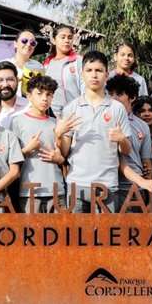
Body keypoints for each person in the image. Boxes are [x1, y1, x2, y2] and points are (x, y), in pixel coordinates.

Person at [58, 50, 133, 212]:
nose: (94, 75)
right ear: (82, 74)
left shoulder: (117, 108)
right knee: (77, 237)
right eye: (89, 70)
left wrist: (121, 139)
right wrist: (59, 133)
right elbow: (64, 152)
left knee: (106, 237)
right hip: (76, 185)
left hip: (108, 185)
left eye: (99, 71)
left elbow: (126, 151)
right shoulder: (71, 108)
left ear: (107, 74)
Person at [10, 75, 66, 212]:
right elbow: (10, 158)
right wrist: (27, 149)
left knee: (60, 232)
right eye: (39, 93)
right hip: (29, 192)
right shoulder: (18, 121)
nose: (44, 98)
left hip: (56, 190)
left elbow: (64, 156)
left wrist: (59, 159)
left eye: (49, 94)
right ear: (29, 96)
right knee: (31, 233)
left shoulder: (57, 123)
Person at [105, 74, 152, 209]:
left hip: (135, 189)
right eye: (111, 94)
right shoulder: (104, 121)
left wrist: (151, 201)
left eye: (120, 94)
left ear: (132, 97)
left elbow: (147, 163)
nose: (114, 98)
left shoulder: (142, 126)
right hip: (109, 187)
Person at [42, 24, 82, 111]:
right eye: (63, 37)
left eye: (70, 37)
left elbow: (86, 88)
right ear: (54, 40)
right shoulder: (47, 64)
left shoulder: (78, 61)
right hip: (50, 115)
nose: (67, 40)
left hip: (73, 115)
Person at [0, 61, 28, 128]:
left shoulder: (29, 107)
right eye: (0, 80)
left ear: (17, 81)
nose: (5, 84)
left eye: (10, 79)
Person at [10, 29, 44, 95]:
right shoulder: (4, 64)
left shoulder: (38, 66)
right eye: (24, 41)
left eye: (33, 43)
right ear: (15, 44)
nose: (28, 44)